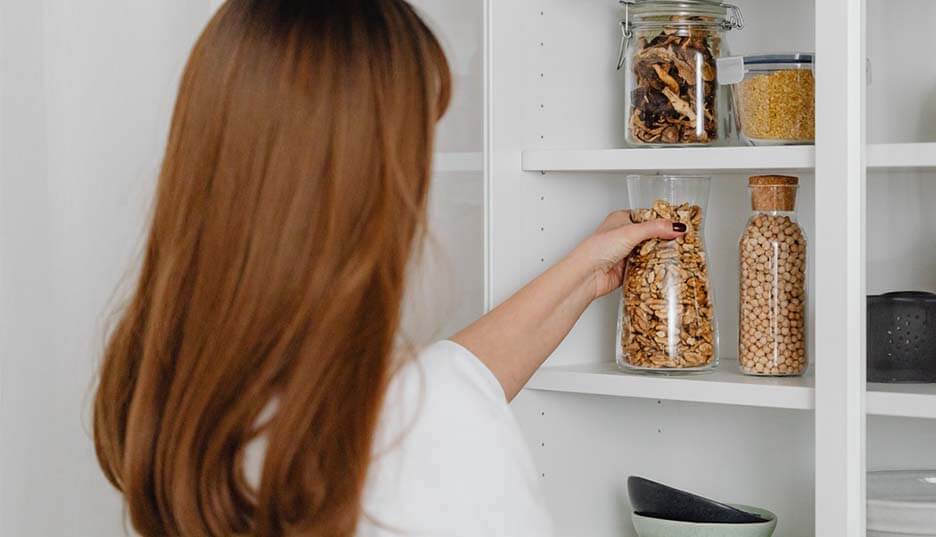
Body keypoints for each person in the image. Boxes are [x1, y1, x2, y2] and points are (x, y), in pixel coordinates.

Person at [90, 1, 686, 536]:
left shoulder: (175, 394)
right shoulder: (429, 432)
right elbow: (428, 411)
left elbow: (446, 383)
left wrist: (583, 273)